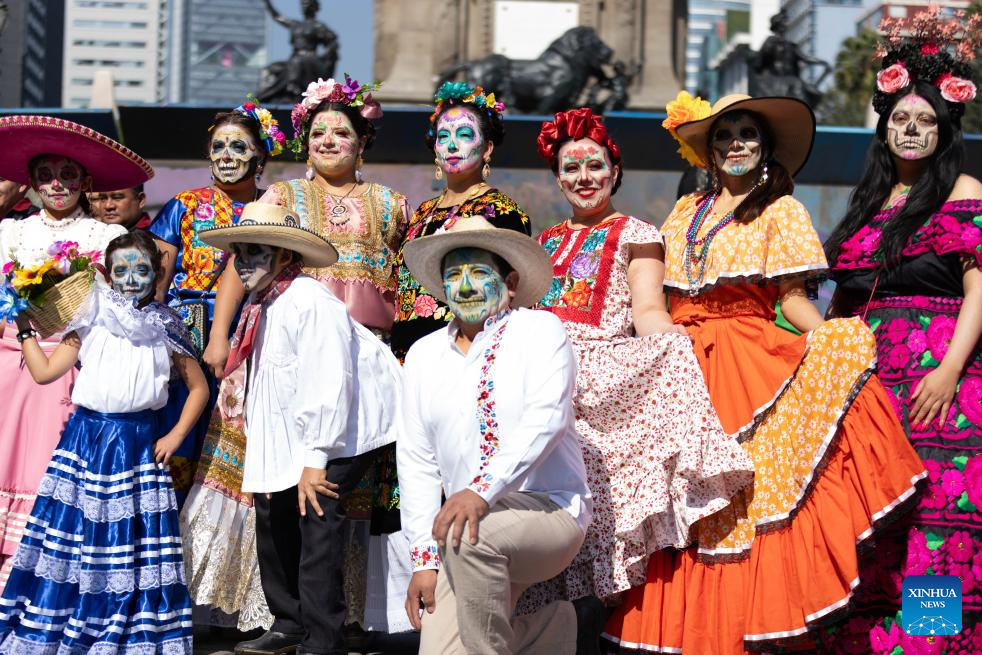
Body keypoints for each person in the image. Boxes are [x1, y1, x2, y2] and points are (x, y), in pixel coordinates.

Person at [602, 93, 927, 654]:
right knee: (683, 500)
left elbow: (793, 297)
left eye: (747, 134)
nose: (736, 144)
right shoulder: (684, 212)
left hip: (746, 356)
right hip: (681, 360)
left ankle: (740, 630)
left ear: (766, 147)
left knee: (747, 500)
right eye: (725, 135)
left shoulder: (781, 211)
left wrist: (828, 335)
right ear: (708, 149)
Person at [188, 78, 412, 637]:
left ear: (363, 142)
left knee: (337, 498)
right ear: (303, 141)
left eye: (343, 132)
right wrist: (219, 338)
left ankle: (346, 618)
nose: (330, 141)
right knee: (274, 489)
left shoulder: (390, 203)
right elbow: (239, 267)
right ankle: (284, 616)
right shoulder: (282, 198)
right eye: (318, 133)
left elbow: (400, 284)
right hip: (282, 354)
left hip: (356, 361)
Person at [533, 107, 753, 648]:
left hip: (604, 376)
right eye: (571, 168)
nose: (583, 177)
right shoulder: (543, 242)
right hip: (544, 374)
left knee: (598, 519)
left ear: (614, 169)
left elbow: (649, 307)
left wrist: (668, 343)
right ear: (558, 177)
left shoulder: (637, 232)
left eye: (594, 164)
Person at [822, 10, 982, 652]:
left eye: (925, 121)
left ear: (944, 131)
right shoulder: (866, 206)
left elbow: (980, 291)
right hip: (868, 398)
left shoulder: (964, 190)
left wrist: (947, 372)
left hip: (941, 392)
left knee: (934, 529)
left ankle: (929, 644)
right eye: (900, 120)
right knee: (875, 527)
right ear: (884, 129)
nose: (911, 131)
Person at [198, 203, 402, 655]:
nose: (244, 261)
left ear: (285, 257)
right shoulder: (263, 303)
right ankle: (289, 622)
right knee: (274, 512)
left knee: (317, 515)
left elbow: (330, 383)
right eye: (240, 252)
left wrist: (315, 459)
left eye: (256, 251)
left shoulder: (309, 301)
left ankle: (323, 638)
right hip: (300, 423)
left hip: (346, 424)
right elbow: (279, 382)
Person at [0, 231, 208, 655]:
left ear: (157, 272)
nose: (131, 278)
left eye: (141, 269)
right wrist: (24, 330)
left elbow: (199, 388)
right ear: (107, 275)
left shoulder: (165, 324)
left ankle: (128, 619)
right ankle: (70, 615)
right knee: (77, 534)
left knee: (130, 538)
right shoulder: (89, 317)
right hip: (86, 440)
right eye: (121, 270)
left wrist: (175, 434)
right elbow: (43, 373)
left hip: (137, 443)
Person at [399, 216, 593, 655]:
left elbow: (546, 420)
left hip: (549, 511)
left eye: (478, 273)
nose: (464, 287)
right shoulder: (423, 355)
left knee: (473, 538)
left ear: (510, 282)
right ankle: (554, 629)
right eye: (453, 276)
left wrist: (480, 492)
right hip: (465, 530)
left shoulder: (540, 331)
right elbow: (416, 459)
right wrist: (422, 562)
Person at [0, 115, 151, 592]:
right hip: (7, 362)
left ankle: (35, 580)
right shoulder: (9, 231)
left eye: (68, 174)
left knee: (49, 467)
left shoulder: (104, 238)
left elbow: (114, 308)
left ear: (86, 182)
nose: (57, 184)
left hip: (69, 363)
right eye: (46, 174)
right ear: (31, 183)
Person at [149, 99, 284, 506]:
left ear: (259, 156)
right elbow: (157, 279)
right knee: (180, 436)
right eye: (218, 147)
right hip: (186, 332)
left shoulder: (276, 207)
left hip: (254, 331)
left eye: (238, 147)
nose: (226, 156)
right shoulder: (184, 205)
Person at [390, 81, 531, 362]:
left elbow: (511, 296)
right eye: (443, 136)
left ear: (487, 148)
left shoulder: (501, 211)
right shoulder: (421, 213)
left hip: (465, 355)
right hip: (406, 359)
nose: (452, 144)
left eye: (465, 134)